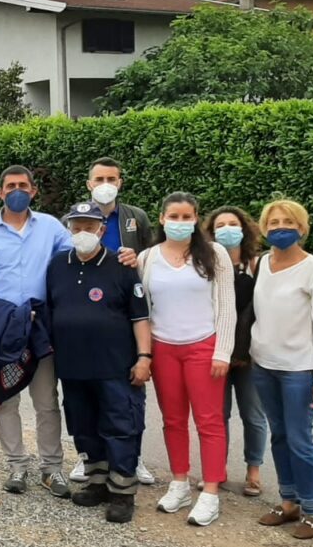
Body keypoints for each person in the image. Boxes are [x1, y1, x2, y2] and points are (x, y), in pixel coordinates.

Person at [0, 165, 73, 497]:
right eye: (11, 185)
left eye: (23, 185)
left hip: (40, 325)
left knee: (46, 400)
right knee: (5, 400)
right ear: (0, 192)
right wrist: (1, 311)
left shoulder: (52, 228)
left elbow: (72, 262)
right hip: (2, 328)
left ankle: (52, 469)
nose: (17, 190)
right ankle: (16, 465)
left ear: (33, 191)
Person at [46, 202, 152, 524]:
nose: (82, 233)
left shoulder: (121, 265)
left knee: (120, 427)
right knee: (84, 426)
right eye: (76, 227)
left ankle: (122, 491)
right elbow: (52, 310)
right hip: (74, 368)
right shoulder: (57, 265)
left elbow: (140, 316)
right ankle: (96, 482)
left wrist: (144, 358)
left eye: (89, 227)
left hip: (115, 366)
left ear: (102, 231)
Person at [136, 193, 235, 527]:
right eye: (174, 217)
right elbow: (143, 310)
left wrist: (223, 351)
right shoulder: (147, 258)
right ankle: (179, 482)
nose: (181, 223)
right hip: (164, 347)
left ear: (196, 219)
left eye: (187, 217)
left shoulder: (215, 254)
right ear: (162, 219)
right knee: (173, 419)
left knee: (209, 421)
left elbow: (226, 307)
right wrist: (145, 354)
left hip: (203, 346)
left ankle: (210, 491)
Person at [250, 200, 313, 539]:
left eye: (288, 221)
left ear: (302, 228)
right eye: (272, 222)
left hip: (299, 369)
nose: (279, 226)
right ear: (264, 228)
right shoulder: (260, 263)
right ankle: (290, 501)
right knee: (280, 435)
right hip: (264, 365)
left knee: (301, 439)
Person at [69, 157, 156, 486]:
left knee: (129, 392)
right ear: (89, 184)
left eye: (112, 178)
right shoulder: (79, 216)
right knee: (85, 393)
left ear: (120, 182)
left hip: (126, 309)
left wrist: (138, 262)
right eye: (99, 178)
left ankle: (133, 456)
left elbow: (151, 256)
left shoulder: (136, 217)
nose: (105, 183)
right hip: (89, 311)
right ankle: (89, 458)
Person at [208, 206, 268, 496]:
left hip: (250, 354)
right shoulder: (205, 264)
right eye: (220, 225)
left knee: (253, 415)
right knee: (218, 416)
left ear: (245, 229)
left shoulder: (258, 265)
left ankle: (253, 471)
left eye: (233, 224)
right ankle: (216, 470)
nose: (227, 229)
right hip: (216, 352)